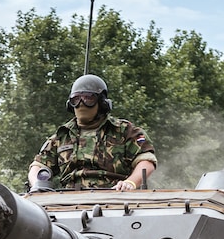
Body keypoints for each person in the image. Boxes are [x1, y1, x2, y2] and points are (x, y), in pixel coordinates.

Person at [27, 74, 156, 192]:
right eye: (76, 99)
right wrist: (37, 186)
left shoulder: (124, 131)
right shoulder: (62, 137)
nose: (81, 104)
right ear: (70, 104)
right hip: (68, 201)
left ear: (102, 102)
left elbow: (146, 162)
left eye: (88, 98)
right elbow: (38, 167)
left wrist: (131, 182)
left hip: (116, 197)